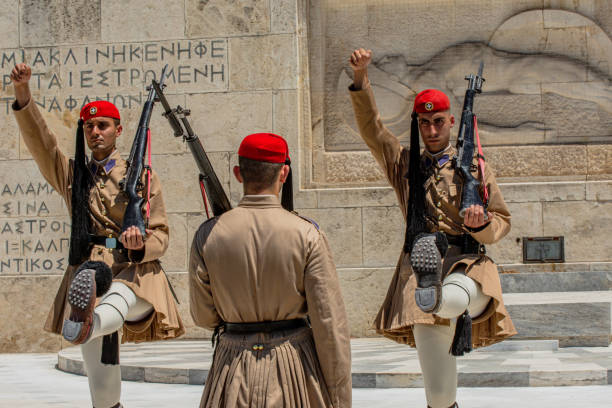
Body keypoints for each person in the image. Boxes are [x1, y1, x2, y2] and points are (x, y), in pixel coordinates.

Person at [348, 49, 516, 408]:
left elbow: (502, 221)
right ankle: (430, 293)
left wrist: (482, 223)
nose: (431, 129)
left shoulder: (475, 167)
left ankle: (435, 294)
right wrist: (361, 78)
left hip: (469, 266)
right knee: (439, 394)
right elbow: (372, 130)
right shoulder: (405, 166)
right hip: (423, 269)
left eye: (438, 121)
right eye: (424, 123)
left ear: (452, 122)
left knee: (448, 297)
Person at [10, 63, 184, 408]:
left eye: (102, 125)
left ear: (118, 130)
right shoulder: (74, 176)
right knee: (101, 383)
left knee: (111, 301)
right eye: (89, 127)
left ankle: (89, 320)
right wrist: (23, 94)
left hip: (134, 274)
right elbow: (42, 144)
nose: (95, 132)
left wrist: (140, 245)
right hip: (90, 271)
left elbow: (161, 234)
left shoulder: (141, 176)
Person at [189, 133, 352, 408]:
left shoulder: (208, 235)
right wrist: (338, 398)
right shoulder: (307, 234)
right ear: (284, 172)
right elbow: (329, 325)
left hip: (232, 366)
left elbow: (204, 316)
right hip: (293, 366)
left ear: (238, 173)